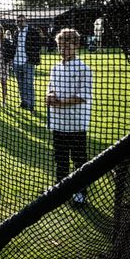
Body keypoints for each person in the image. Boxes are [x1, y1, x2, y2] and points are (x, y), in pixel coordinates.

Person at [46, 28, 92, 204]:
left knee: (79, 159)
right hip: (58, 122)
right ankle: (61, 189)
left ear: (76, 45)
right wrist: (49, 95)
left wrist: (61, 103)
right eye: (60, 46)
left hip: (76, 122)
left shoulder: (84, 69)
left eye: (67, 46)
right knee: (60, 158)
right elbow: (50, 87)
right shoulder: (55, 68)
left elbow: (83, 96)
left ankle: (80, 193)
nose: (63, 49)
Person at [12, 14, 41, 113]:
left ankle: (31, 105)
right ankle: (24, 102)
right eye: (18, 21)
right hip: (16, 61)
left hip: (28, 61)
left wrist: (31, 57)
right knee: (20, 84)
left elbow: (38, 46)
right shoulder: (16, 32)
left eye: (22, 21)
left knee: (29, 84)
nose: (20, 23)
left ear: (26, 21)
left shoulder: (32, 31)